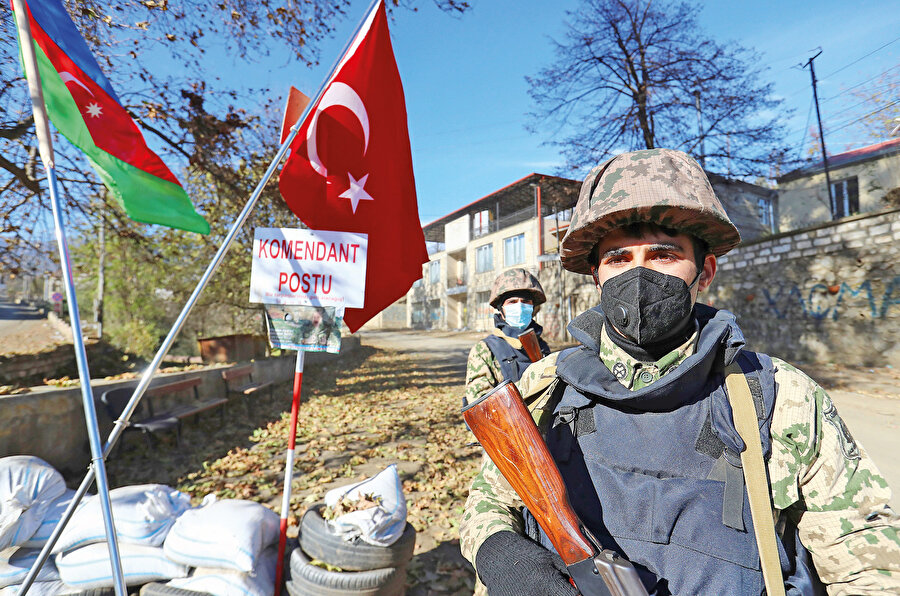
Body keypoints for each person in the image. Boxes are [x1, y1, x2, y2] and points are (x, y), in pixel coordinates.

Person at [460, 149, 900, 595]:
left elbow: (869, 562)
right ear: (596, 276)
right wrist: (497, 550)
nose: (639, 275)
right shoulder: (546, 385)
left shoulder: (778, 396)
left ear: (704, 271)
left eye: (663, 255)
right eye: (617, 259)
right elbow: (491, 499)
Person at [464, 268, 551, 407]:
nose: (520, 306)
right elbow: (482, 407)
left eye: (525, 301)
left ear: (533, 307)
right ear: (501, 308)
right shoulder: (486, 350)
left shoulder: (541, 346)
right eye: (512, 302)